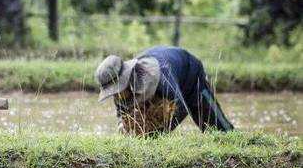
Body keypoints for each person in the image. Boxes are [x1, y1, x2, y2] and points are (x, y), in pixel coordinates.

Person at [95, 46, 235, 136]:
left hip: (189, 74)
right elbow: (123, 115)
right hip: (161, 74)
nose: (117, 95)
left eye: (118, 89)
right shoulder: (120, 93)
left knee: (217, 128)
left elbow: (180, 108)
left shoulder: (160, 78)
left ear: (126, 78)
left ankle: (235, 141)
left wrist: (155, 135)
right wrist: (123, 127)